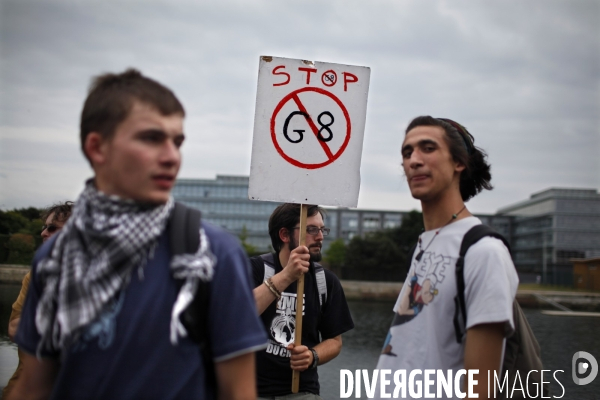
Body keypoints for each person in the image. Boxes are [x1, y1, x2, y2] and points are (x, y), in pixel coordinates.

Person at [8, 69, 266, 400]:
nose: (172, 156)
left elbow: (240, 393)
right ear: (97, 147)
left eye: (177, 141)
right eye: (151, 138)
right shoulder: (55, 257)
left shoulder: (214, 253)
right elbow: (33, 388)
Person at [375, 116, 518, 399]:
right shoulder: (424, 244)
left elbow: (480, 390)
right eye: (407, 152)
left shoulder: (484, 252)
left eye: (428, 148)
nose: (414, 160)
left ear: (459, 162)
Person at [251, 203, 354, 399]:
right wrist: (286, 276)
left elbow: (335, 342)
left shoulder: (327, 281)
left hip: (301, 391)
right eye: (311, 229)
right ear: (284, 235)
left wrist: (312, 356)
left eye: (322, 229)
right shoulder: (255, 270)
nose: (320, 236)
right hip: (250, 389)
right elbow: (238, 317)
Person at [2, 202, 73, 400]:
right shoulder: (35, 276)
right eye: (44, 227)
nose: (43, 233)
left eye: (52, 228)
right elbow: (14, 329)